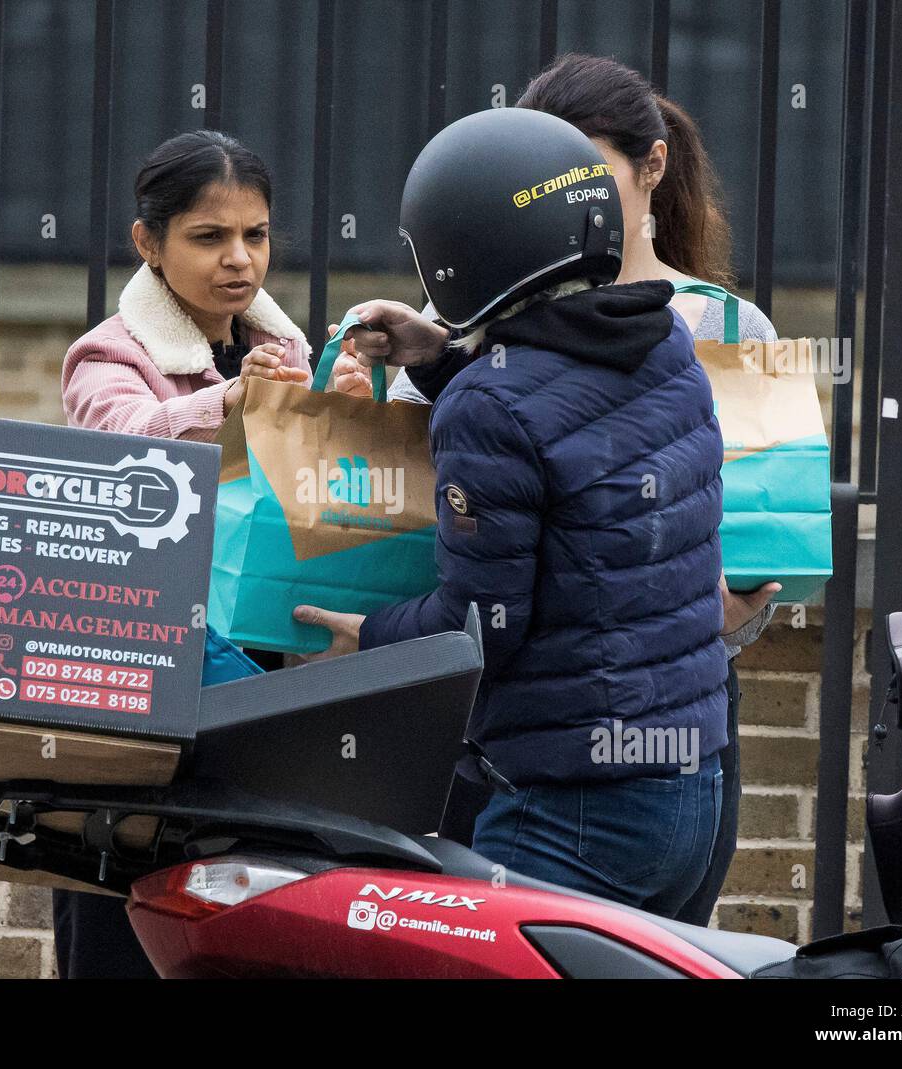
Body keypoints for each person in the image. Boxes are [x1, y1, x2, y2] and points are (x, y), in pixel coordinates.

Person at [330, 53, 780, 926]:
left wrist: (369, 633)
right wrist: (447, 349)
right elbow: (573, 403)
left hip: (571, 806)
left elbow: (484, 625)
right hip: (691, 786)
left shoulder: (488, 406)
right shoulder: (664, 343)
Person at [56, 129, 312, 978]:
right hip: (142, 696)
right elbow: (127, 451)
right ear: (149, 244)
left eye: (256, 235)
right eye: (209, 237)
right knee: (128, 921)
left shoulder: (294, 355)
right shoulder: (110, 355)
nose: (239, 260)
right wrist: (234, 403)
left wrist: (342, 412)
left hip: (262, 682)